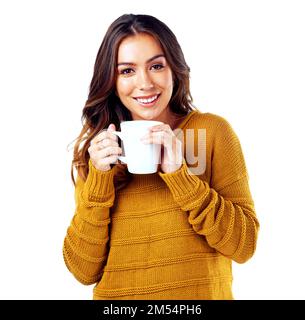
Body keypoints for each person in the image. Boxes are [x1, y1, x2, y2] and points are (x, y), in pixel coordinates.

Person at [63, 14, 259, 300]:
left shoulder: (212, 132)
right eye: (127, 71)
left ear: (174, 70)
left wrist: (181, 176)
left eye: (156, 66)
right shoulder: (99, 152)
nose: (145, 83)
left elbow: (244, 245)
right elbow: (83, 271)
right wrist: (99, 181)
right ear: (111, 80)